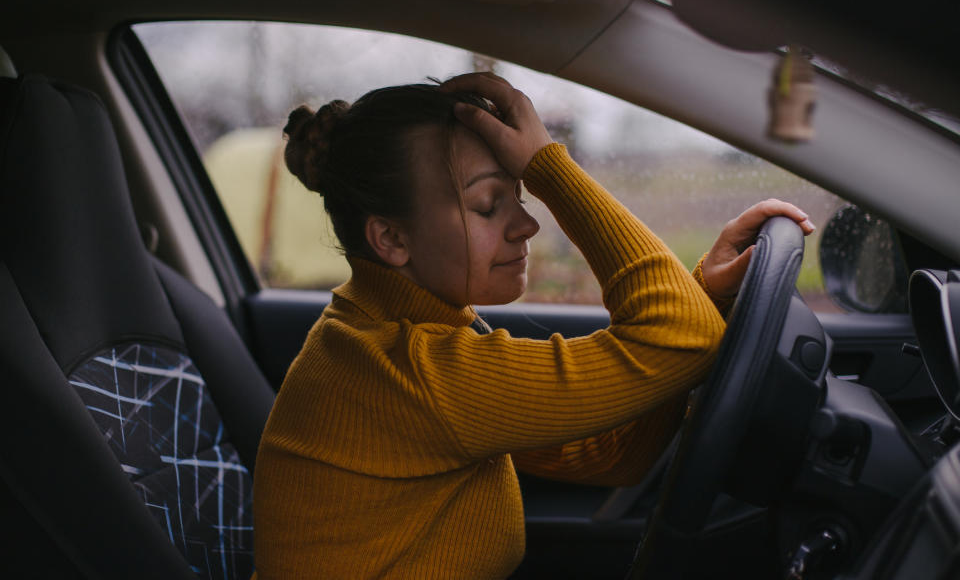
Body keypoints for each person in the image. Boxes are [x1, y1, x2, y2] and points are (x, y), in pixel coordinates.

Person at [252, 72, 814, 579]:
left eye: (519, 193)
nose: (527, 224)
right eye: (488, 205)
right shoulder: (411, 372)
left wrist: (705, 295)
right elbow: (682, 339)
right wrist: (547, 164)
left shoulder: (379, 335)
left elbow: (613, 456)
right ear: (392, 239)